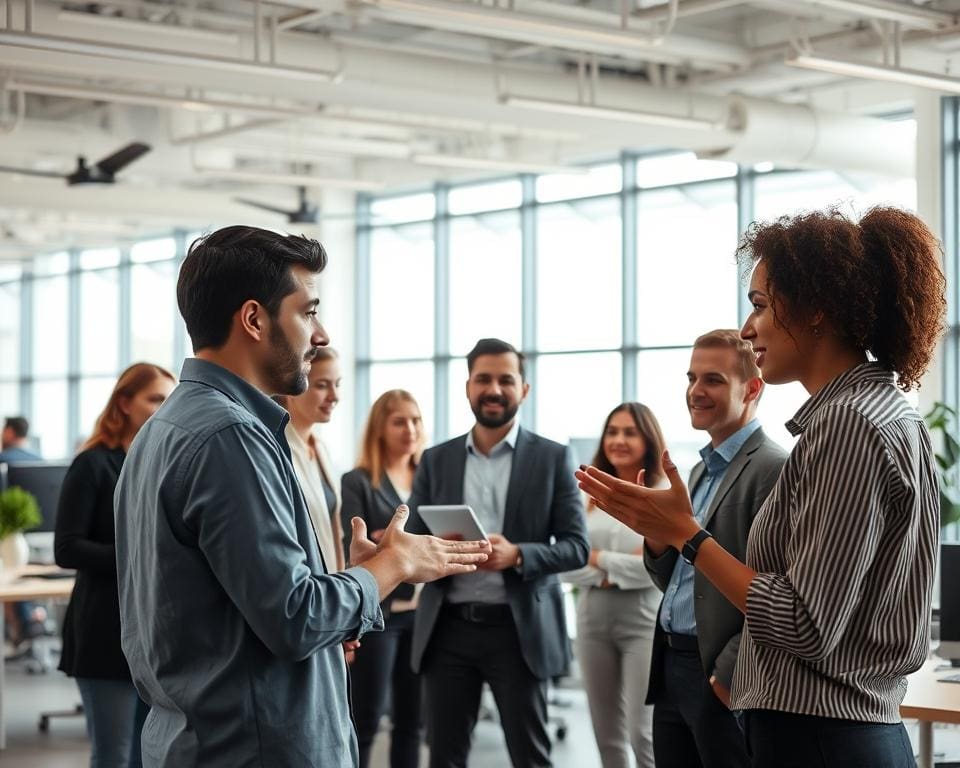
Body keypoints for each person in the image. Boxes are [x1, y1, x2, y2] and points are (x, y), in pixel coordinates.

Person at [577, 207, 945, 768]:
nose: (749, 329)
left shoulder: (848, 425)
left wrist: (687, 536)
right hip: (832, 730)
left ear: (816, 309)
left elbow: (804, 623)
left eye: (761, 305)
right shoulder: (885, 413)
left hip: (820, 736)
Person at [113, 225, 489, 768]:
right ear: (254, 319)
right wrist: (393, 566)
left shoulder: (167, 427)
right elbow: (296, 617)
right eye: (308, 311)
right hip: (256, 747)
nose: (321, 333)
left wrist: (352, 579)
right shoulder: (230, 437)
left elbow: (240, 603)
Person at [409, 337, 589, 768]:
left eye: (506, 380)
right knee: (443, 758)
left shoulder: (553, 458)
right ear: (468, 387)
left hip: (518, 631)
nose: (494, 389)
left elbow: (576, 547)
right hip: (447, 630)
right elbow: (414, 540)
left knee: (530, 756)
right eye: (483, 379)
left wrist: (520, 555)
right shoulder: (435, 460)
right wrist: (434, 548)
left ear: (524, 389)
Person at [643, 330, 787, 768]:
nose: (695, 391)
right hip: (671, 663)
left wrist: (726, 675)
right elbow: (680, 581)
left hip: (717, 672)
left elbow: (777, 589)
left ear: (753, 388)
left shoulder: (774, 468)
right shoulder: (699, 469)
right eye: (691, 378)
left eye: (713, 380)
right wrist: (655, 538)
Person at [55, 363, 176, 768]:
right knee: (114, 755)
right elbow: (67, 549)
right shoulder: (92, 464)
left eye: (168, 399)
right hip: (103, 632)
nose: (163, 408)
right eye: (154, 398)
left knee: (151, 754)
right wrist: (140, 557)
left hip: (152, 633)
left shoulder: (160, 462)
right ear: (124, 403)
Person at [561, 402, 665, 768]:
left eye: (629, 432)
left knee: (644, 735)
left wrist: (597, 558)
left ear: (648, 439)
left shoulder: (661, 492)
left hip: (643, 621)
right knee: (606, 736)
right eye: (613, 431)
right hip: (592, 620)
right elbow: (566, 564)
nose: (618, 440)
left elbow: (656, 569)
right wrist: (621, 563)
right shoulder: (586, 494)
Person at [341, 389, 427, 768]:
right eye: (399, 421)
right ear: (380, 427)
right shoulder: (358, 480)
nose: (410, 429)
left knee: (413, 722)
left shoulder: (429, 476)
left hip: (425, 613)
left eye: (415, 420)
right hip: (381, 614)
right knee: (367, 719)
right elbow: (357, 545)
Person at [276, 347, 345, 573]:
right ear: (291, 388)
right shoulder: (278, 448)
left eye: (337, 384)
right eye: (322, 385)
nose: (334, 396)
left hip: (331, 584)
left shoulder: (320, 449)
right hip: (301, 582)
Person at [0, 416, 46, 652]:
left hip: (8, 535)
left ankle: (24, 623)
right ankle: (34, 616)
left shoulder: (3, 460)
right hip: (41, 538)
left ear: (9, 432)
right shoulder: (40, 461)